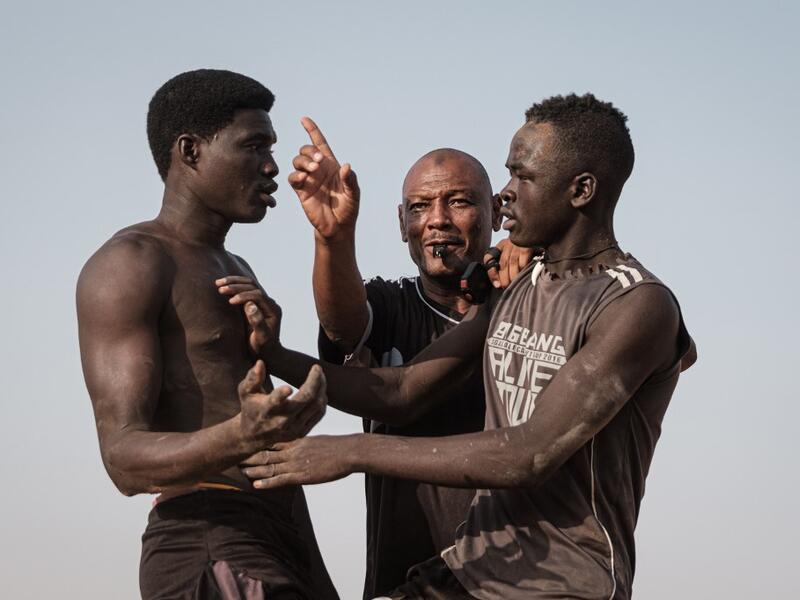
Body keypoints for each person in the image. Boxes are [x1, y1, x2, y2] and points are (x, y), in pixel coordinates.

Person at [223, 93, 696, 599]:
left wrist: (352, 451)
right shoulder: (514, 290)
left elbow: (530, 455)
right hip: (470, 572)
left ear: (580, 190)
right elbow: (402, 391)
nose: (509, 193)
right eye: (508, 176)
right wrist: (274, 355)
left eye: (523, 177)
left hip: (560, 583)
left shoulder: (636, 304)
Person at [76, 69, 336, 599]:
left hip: (280, 531)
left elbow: (246, 416)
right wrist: (243, 435)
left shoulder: (234, 264)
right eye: (253, 146)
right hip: (207, 536)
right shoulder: (130, 263)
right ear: (191, 151)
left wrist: (282, 378)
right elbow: (122, 458)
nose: (271, 167)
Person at [283, 117, 532, 597]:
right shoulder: (388, 305)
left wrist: (539, 256)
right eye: (420, 207)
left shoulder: (533, 299)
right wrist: (333, 238)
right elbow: (343, 324)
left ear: (497, 214)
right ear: (402, 224)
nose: (437, 219)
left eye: (458, 201)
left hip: (520, 581)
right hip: (404, 584)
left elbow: (671, 349)